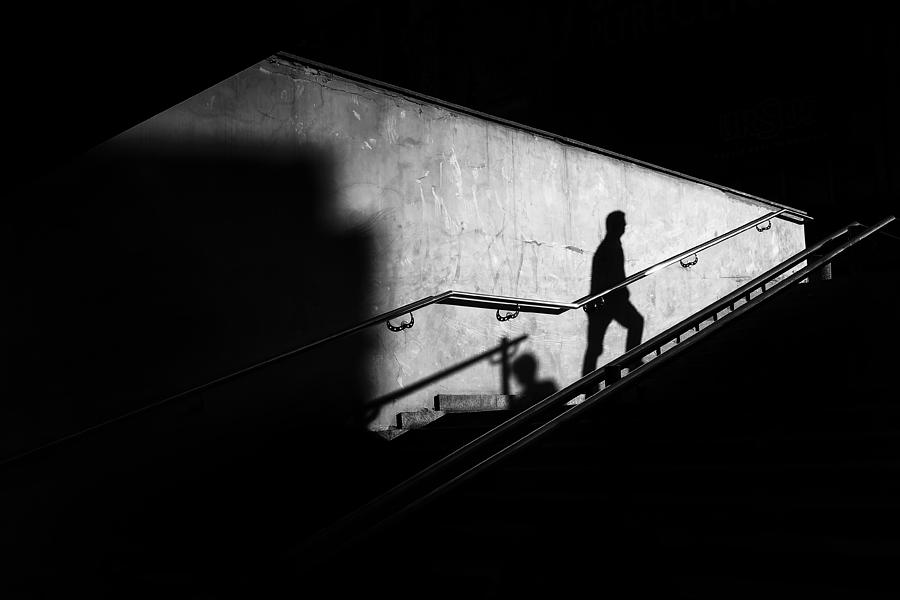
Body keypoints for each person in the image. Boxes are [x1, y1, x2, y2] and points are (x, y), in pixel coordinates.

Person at [581, 211, 644, 383]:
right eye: (622, 223)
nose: (625, 226)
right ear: (614, 226)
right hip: (609, 301)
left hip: (605, 301)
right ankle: (632, 362)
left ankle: (588, 387)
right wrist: (622, 293)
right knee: (636, 322)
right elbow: (613, 277)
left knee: (594, 348)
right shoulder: (610, 246)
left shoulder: (611, 244)